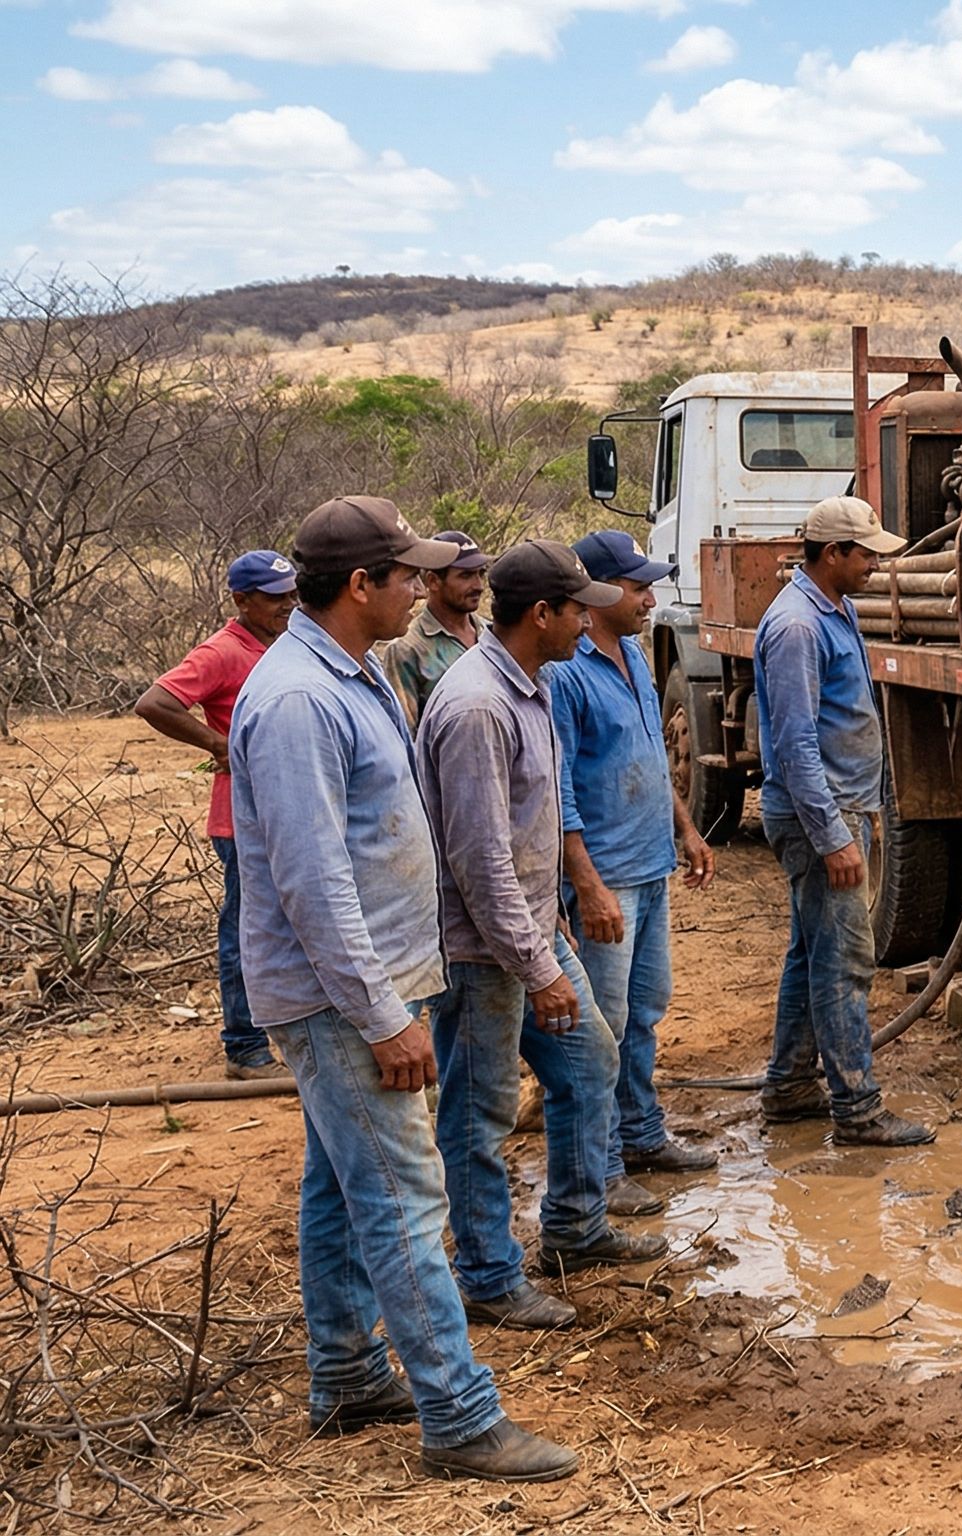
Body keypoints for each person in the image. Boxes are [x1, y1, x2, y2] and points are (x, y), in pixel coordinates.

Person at [230, 495, 574, 1481]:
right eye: (406, 575)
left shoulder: (352, 673)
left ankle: (346, 1373)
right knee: (405, 1200)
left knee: (343, 1187)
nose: (422, 589)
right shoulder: (299, 700)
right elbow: (311, 879)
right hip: (344, 999)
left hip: (367, 983)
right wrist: (383, 1016)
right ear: (359, 585)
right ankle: (458, 1417)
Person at [418, 540, 663, 1330]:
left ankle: (575, 1228)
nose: (587, 622)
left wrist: (550, 916)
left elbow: (530, 822)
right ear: (541, 615)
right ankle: (488, 1275)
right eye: (576, 610)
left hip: (529, 928)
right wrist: (539, 965)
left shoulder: (532, 685)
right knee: (479, 1111)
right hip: (482, 950)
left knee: (589, 1063)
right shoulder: (477, 706)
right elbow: (479, 858)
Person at [753, 496, 936, 1145]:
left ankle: (790, 1086)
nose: (874, 566)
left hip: (836, 807)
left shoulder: (836, 609)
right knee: (845, 963)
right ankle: (856, 1108)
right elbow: (796, 744)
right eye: (865, 555)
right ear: (832, 554)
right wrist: (834, 837)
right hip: (818, 816)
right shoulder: (798, 627)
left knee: (811, 953)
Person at [551, 530, 719, 1182]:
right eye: (637, 587)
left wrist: (687, 829)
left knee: (644, 1010)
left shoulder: (632, 655)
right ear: (595, 594)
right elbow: (558, 790)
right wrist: (586, 884)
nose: (650, 600)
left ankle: (641, 1135)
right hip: (608, 878)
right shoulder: (566, 674)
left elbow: (649, 755)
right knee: (602, 1027)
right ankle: (599, 1169)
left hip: (649, 867)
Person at [136, 549, 298, 1080]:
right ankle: (245, 1048)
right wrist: (217, 744)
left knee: (289, 926)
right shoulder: (223, 651)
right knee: (246, 929)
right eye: (274, 598)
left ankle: (285, 1032)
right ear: (242, 600)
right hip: (241, 819)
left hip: (286, 813)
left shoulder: (285, 644)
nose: (287, 605)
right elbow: (155, 703)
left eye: (292, 595)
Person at [377, 530, 490, 724]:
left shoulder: (492, 634)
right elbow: (405, 730)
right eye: (466, 575)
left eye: (481, 573)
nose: (478, 585)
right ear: (433, 581)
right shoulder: (407, 650)